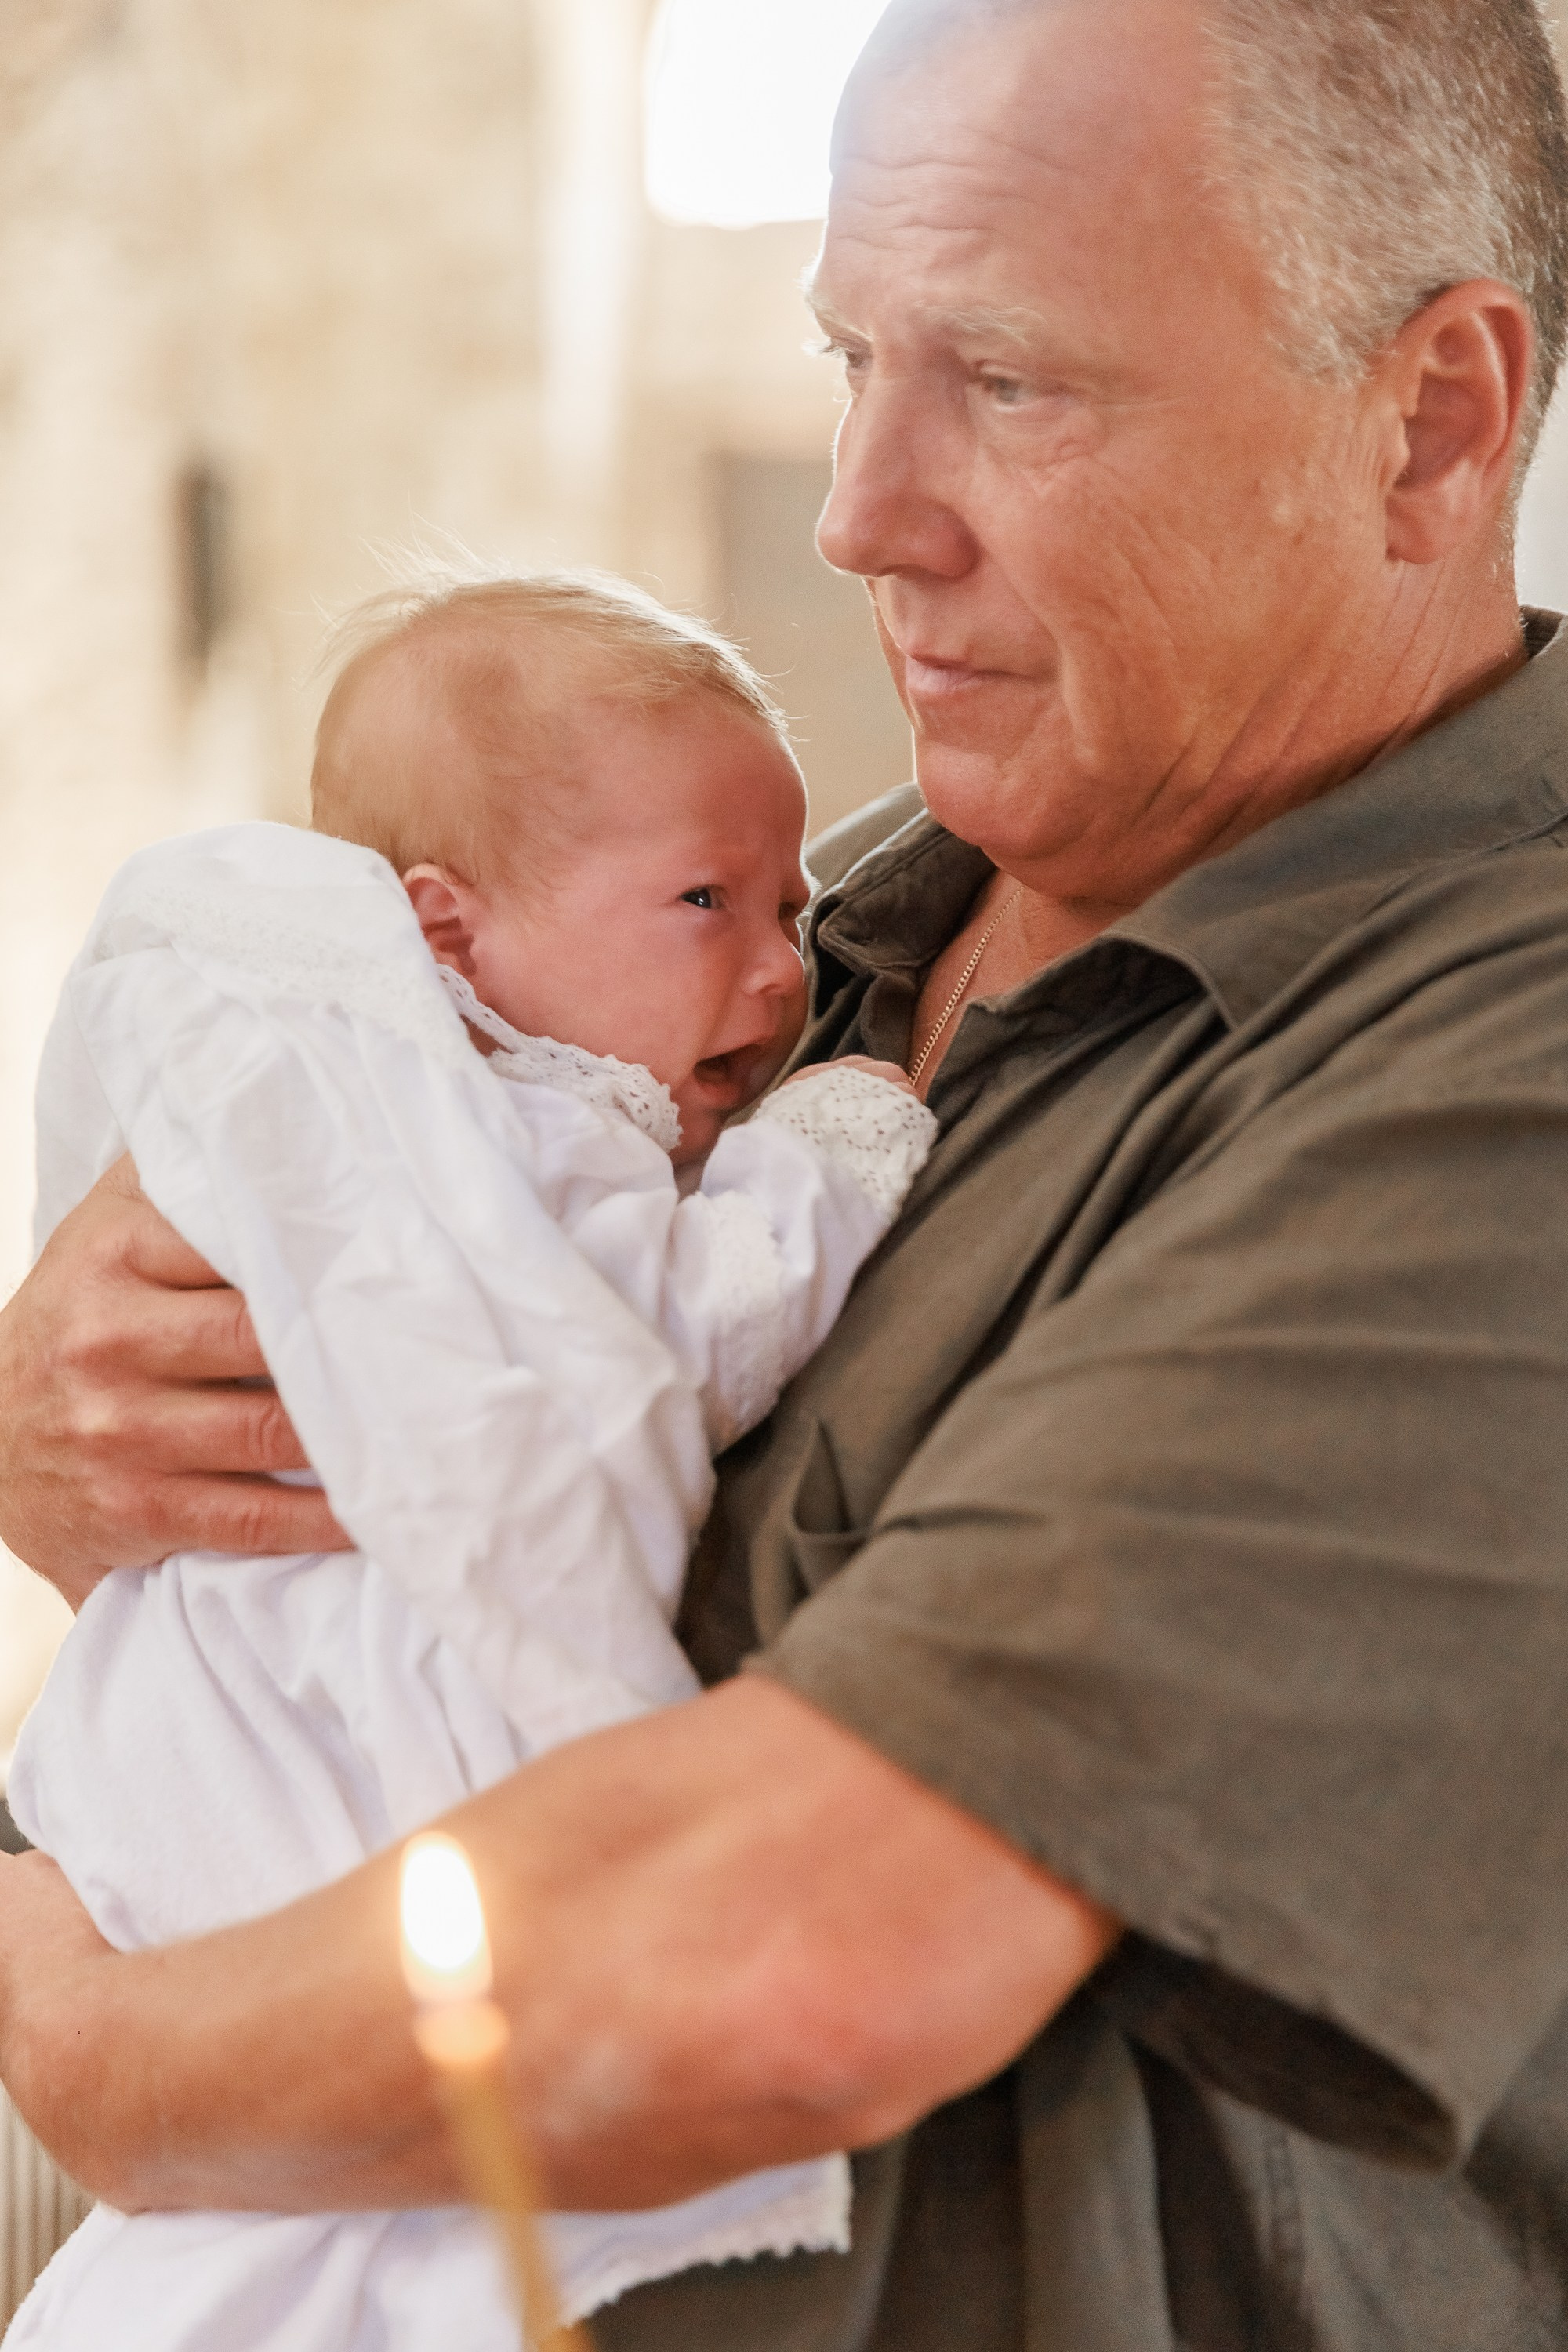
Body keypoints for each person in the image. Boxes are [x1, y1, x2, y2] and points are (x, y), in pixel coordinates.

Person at [3, 0, 1568, 2342]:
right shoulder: (797, 931)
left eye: (1012, 385)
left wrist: (102, 2066)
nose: (860, 510)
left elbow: (792, 1959)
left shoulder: (1489, 1051)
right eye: (854, 357)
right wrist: (86, 1440)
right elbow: (276, 1559)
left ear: (1432, 420)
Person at [4, 568, 940, 2348]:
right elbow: (651, 1357)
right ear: (446, 938)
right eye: (703, 903)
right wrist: (834, 1147)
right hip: (323, 1757)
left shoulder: (389, 1108)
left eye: (791, 902)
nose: (776, 967)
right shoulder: (512, 1144)